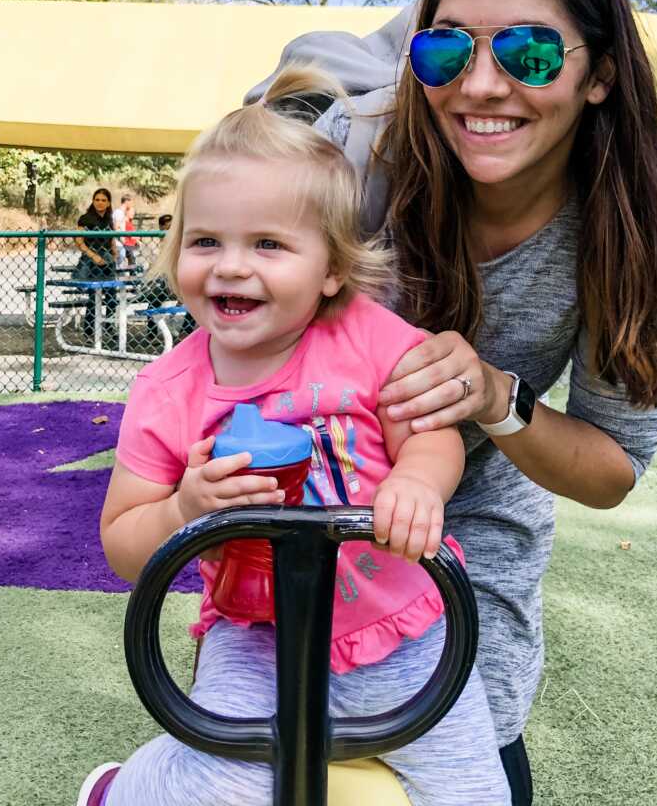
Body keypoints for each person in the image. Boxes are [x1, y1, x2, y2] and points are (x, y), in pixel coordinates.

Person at [245, 0, 657, 802]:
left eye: (530, 53)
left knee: (478, 761)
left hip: (476, 520)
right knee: (272, 745)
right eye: (446, 52)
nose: (481, 86)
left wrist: (498, 397)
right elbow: (238, 348)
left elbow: (612, 470)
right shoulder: (365, 155)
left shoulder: (635, 232)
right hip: (313, 502)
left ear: (600, 74)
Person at [77, 66, 512, 806]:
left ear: (334, 268)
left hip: (403, 620)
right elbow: (123, 544)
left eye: (269, 245)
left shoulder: (372, 339)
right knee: (220, 784)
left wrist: (416, 482)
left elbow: (430, 438)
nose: (233, 266)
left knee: (475, 796)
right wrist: (185, 508)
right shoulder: (168, 390)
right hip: (255, 632)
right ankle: (121, 790)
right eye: (206, 240)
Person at [140, 213, 196, 347]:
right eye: (167, 227)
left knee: (193, 300)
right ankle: (151, 334)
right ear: (161, 228)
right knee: (154, 300)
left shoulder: (181, 244)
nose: (170, 231)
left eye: (173, 227)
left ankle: (185, 332)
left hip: (178, 281)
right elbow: (154, 269)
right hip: (162, 283)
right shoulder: (154, 246)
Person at [74, 188, 119, 341]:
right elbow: (79, 242)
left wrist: (114, 252)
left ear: (108, 203)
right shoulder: (85, 219)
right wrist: (93, 256)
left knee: (112, 296)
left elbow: (112, 238)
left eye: (103, 200)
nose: (100, 203)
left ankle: (110, 327)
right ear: (93, 201)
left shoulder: (109, 219)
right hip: (92, 260)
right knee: (95, 297)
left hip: (107, 261)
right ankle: (89, 331)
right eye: (97, 200)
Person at [112, 193, 137, 270]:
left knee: (120, 267)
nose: (132, 205)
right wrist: (123, 241)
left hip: (120, 244)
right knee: (119, 268)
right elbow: (116, 227)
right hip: (118, 244)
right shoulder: (119, 213)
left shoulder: (121, 213)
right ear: (127, 201)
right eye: (131, 202)